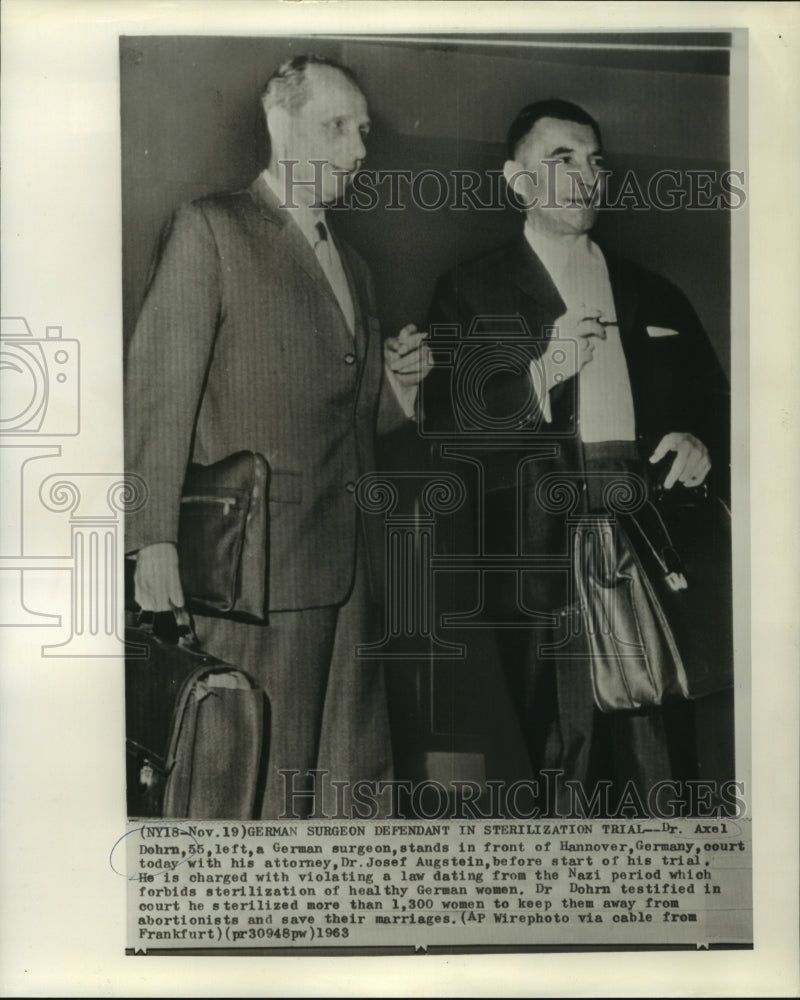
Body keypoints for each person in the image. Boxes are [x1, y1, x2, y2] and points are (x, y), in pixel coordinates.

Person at [125, 54, 431, 819]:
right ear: (278, 122)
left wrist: (398, 390)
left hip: (349, 570)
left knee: (346, 791)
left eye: (362, 132)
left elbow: (354, 423)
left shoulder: (354, 267)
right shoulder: (212, 228)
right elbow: (159, 397)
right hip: (254, 573)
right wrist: (150, 537)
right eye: (336, 127)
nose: (358, 150)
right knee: (250, 785)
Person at [423, 99, 732, 814]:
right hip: (542, 543)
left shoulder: (656, 291)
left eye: (593, 162)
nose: (585, 176)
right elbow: (448, 425)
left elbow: (715, 401)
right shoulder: (472, 289)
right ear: (518, 180)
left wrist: (700, 439)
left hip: (650, 524)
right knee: (564, 746)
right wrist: (544, 370)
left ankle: (664, 900)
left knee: (662, 736)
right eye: (561, 159)